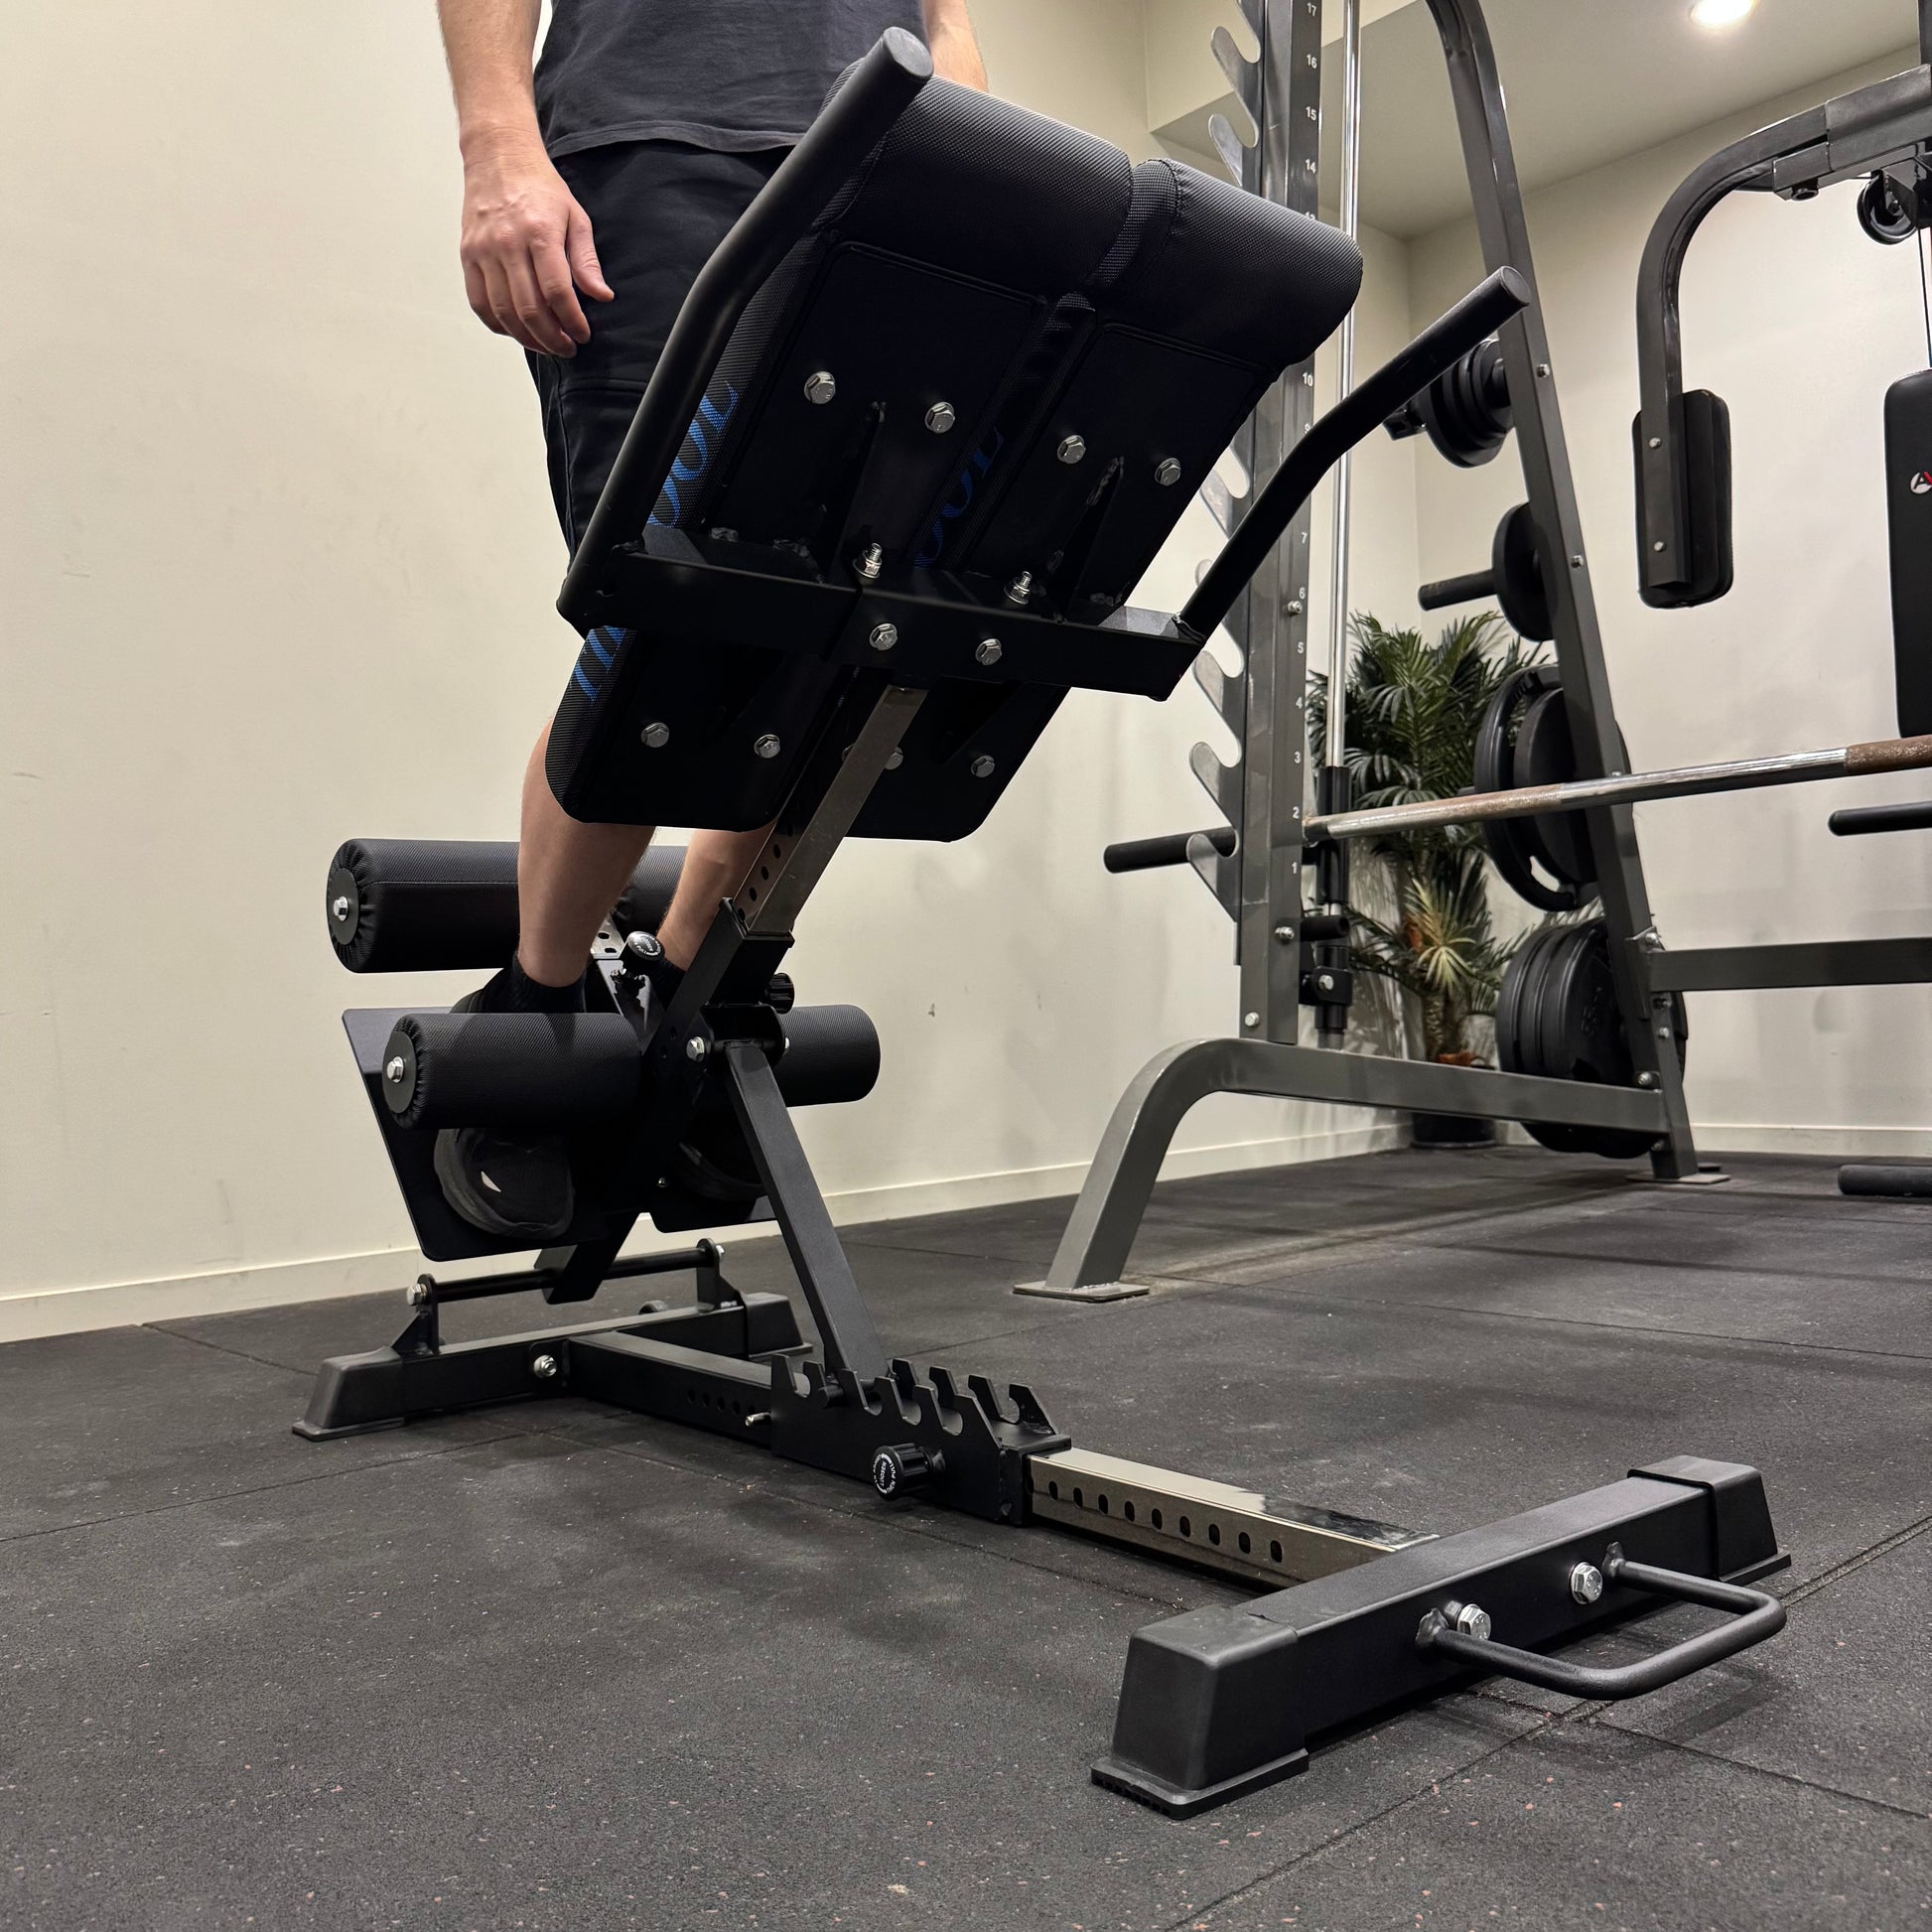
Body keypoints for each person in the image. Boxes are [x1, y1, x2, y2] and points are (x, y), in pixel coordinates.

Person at [431, 0, 988, 1239]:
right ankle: (538, 1004)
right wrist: (496, 145)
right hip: (654, 152)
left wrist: (976, 198)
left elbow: (945, 19)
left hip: (884, 198)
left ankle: (688, 992)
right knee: (666, 622)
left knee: (844, 648)